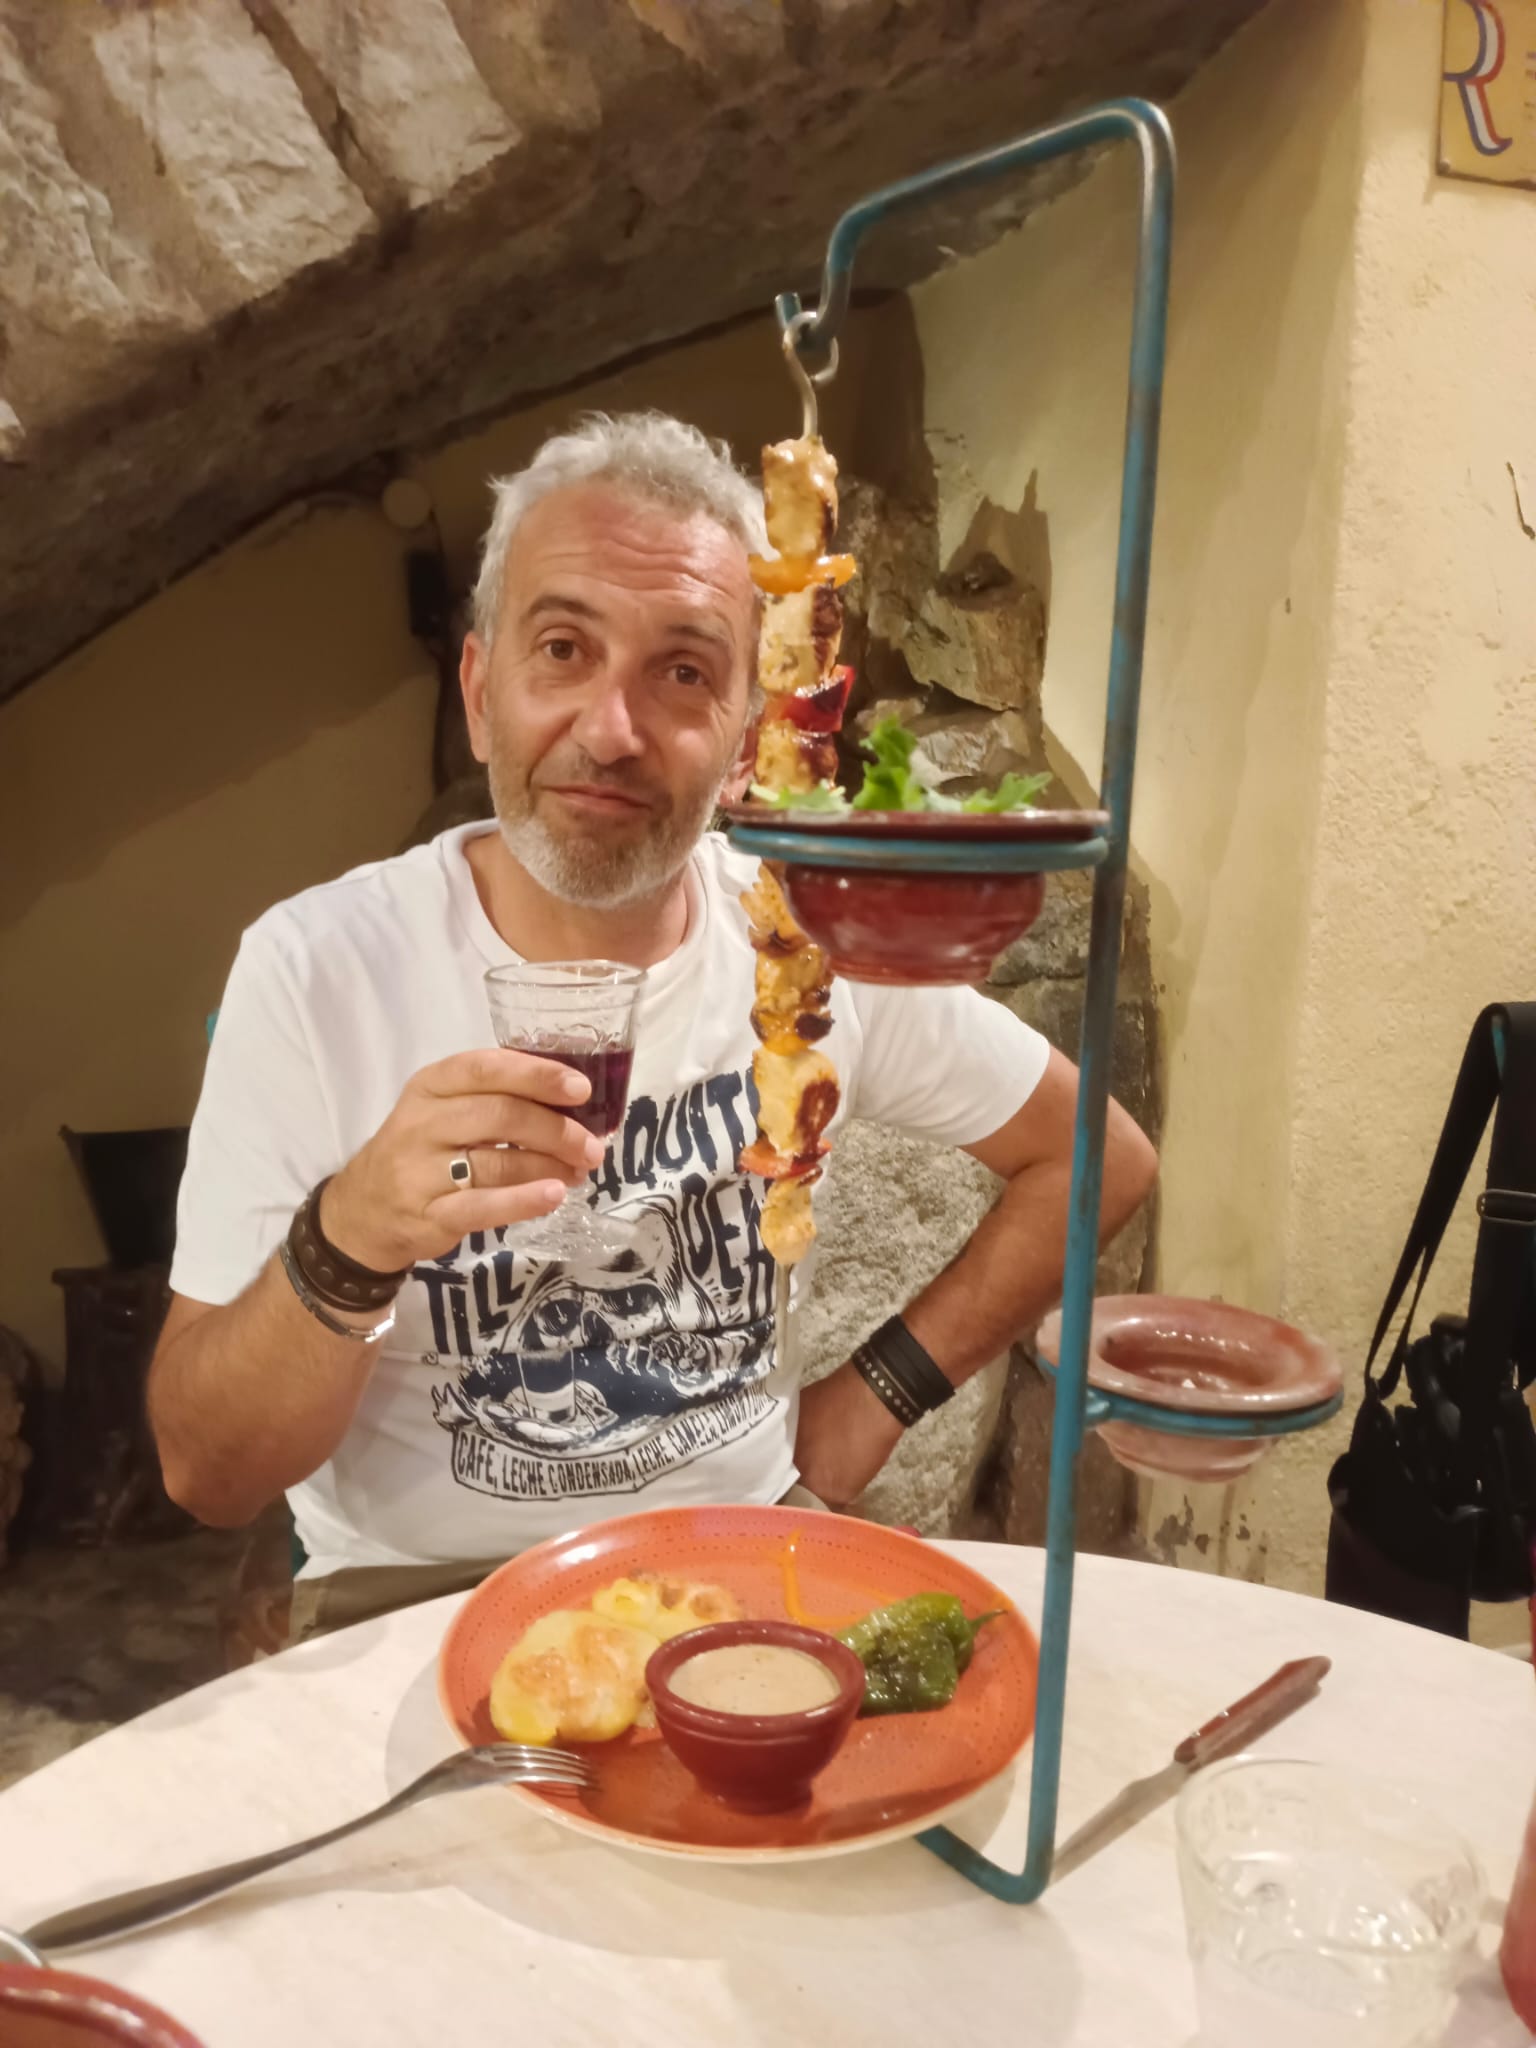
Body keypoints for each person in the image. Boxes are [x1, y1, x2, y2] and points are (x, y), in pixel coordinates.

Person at [148, 412, 1156, 1639]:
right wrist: (351, 1234)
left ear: (744, 743)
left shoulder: (803, 938)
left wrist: (875, 1397)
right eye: (562, 649)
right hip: (417, 1599)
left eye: (683, 671)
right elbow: (207, 1473)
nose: (612, 729)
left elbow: (1098, 1156)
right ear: (479, 695)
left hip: (741, 1563)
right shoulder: (318, 970)